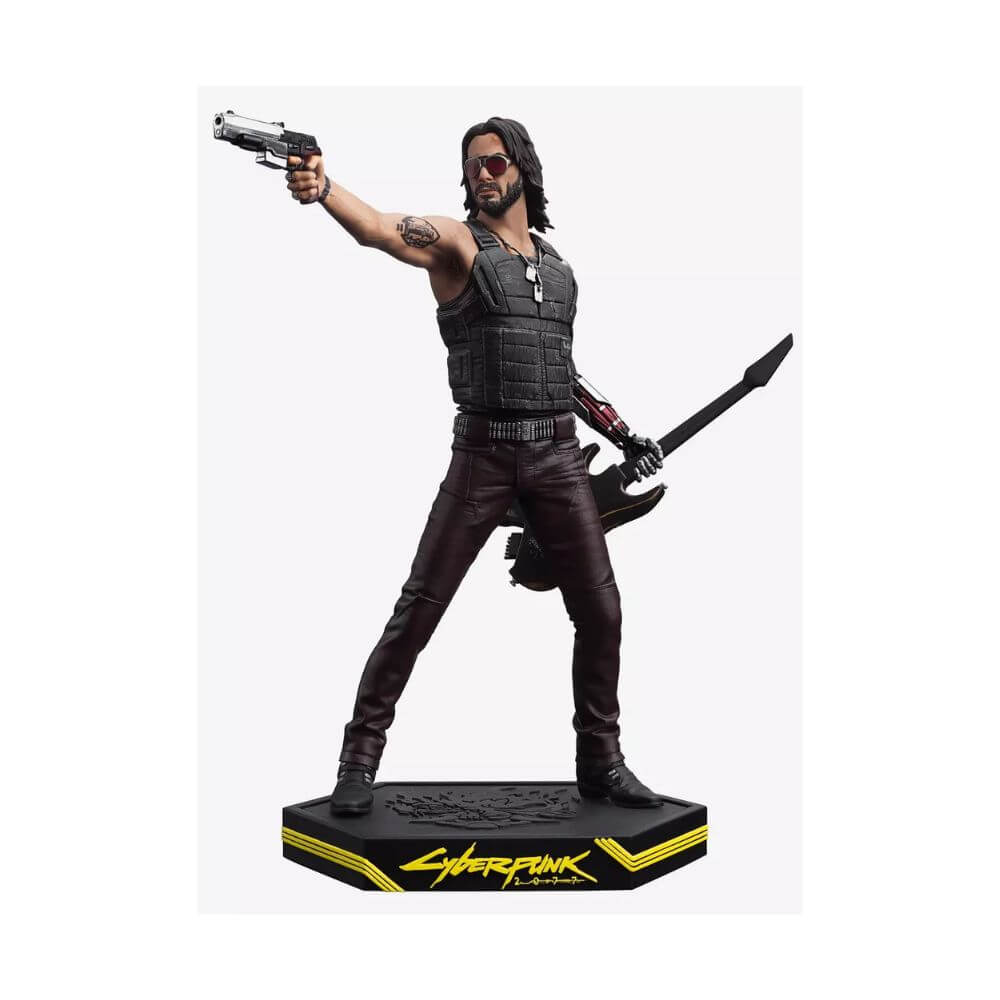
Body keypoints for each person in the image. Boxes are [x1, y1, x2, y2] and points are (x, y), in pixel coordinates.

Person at [285, 116, 666, 815]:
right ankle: (358, 761)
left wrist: (622, 433)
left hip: (558, 458)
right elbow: (378, 228)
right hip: (483, 457)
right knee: (419, 609)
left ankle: (602, 763)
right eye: (471, 166)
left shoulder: (559, 271)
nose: (481, 174)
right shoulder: (458, 246)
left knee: (602, 611)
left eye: (494, 163)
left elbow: (561, 371)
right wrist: (324, 187)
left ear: (522, 168)